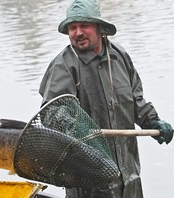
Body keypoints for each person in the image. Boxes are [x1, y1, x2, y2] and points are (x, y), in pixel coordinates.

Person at [39, 0, 174, 197]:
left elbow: (136, 100)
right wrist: (76, 126)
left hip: (129, 177)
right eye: (72, 28)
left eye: (84, 25)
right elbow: (49, 113)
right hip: (87, 181)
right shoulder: (63, 65)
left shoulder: (120, 56)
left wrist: (153, 121)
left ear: (100, 27)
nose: (78, 33)